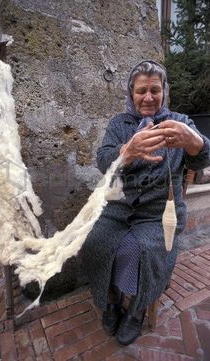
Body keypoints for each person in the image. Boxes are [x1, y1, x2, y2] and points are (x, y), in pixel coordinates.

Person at [81, 60, 210, 346]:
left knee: (137, 250)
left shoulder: (178, 123)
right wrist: (126, 152)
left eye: (155, 90)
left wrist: (196, 142)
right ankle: (113, 300)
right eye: (141, 91)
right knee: (92, 240)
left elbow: (200, 161)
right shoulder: (119, 125)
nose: (148, 97)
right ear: (131, 94)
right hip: (119, 211)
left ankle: (136, 309)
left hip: (159, 215)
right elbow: (104, 161)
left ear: (164, 91)